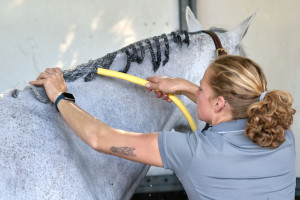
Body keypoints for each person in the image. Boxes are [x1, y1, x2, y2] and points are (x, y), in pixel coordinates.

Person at [29, 55, 296, 199]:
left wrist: (60, 96)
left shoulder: (191, 151)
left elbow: (100, 138)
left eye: (202, 89)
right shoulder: (282, 135)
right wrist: (185, 86)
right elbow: (229, 109)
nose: (198, 92)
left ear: (219, 103)